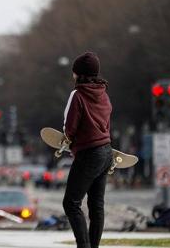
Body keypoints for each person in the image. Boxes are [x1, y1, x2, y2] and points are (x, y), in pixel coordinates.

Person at [62, 52, 113, 248]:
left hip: (89, 154)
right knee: (96, 206)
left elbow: (70, 127)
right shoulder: (103, 93)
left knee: (71, 203)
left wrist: (68, 140)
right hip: (106, 151)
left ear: (79, 73)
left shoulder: (78, 94)